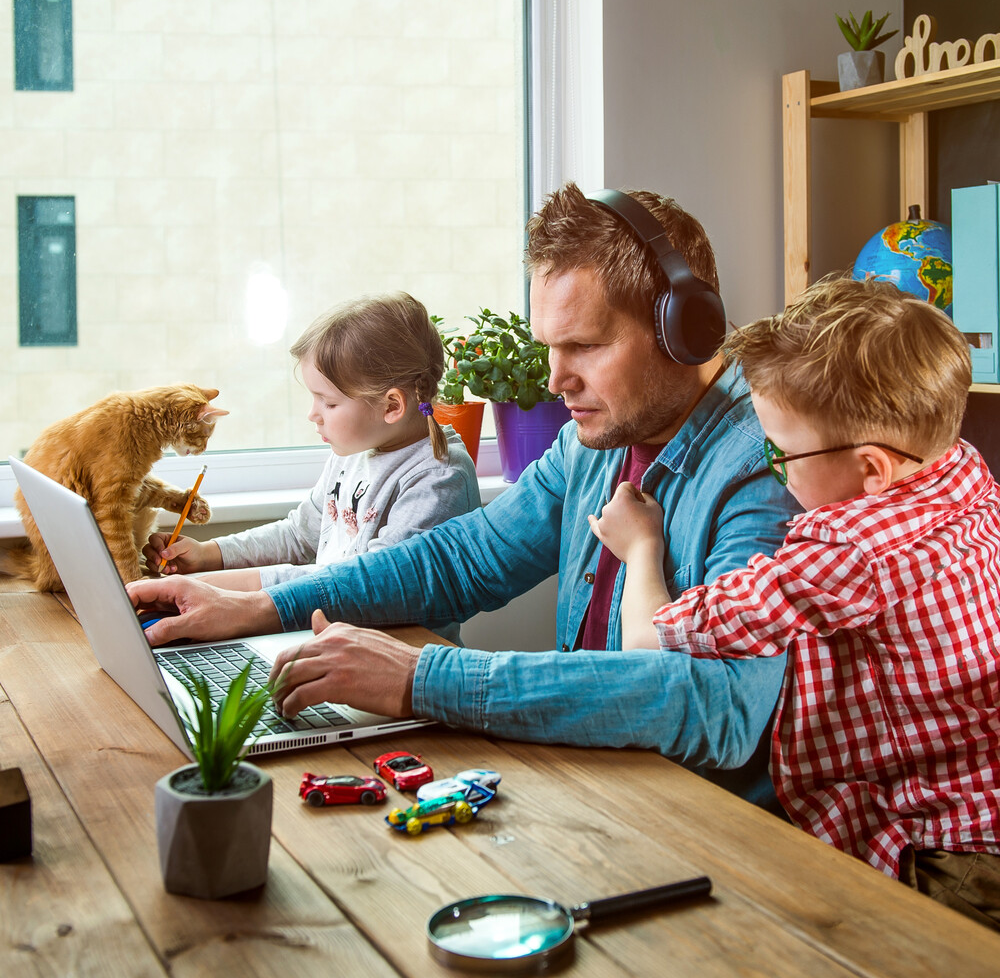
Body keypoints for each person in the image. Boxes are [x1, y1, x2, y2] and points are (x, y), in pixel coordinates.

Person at [128, 182, 796, 805]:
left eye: (584, 346)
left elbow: (719, 704)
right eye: (548, 347)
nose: (556, 378)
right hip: (601, 784)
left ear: (686, 328)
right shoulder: (594, 443)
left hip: (705, 821)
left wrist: (422, 680)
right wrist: (257, 608)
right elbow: (461, 560)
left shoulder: (767, 466)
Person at [589, 275, 1000, 929]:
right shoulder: (962, 471)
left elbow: (652, 642)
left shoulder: (848, 549)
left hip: (944, 854)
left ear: (872, 470)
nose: (774, 470)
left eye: (783, 455)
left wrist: (641, 550)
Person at [144, 293, 481, 638]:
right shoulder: (353, 450)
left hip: (395, 663)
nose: (312, 414)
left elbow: (367, 584)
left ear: (391, 405)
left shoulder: (438, 477)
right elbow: (299, 534)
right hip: (331, 638)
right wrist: (209, 556)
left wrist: (221, 588)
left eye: (329, 402)